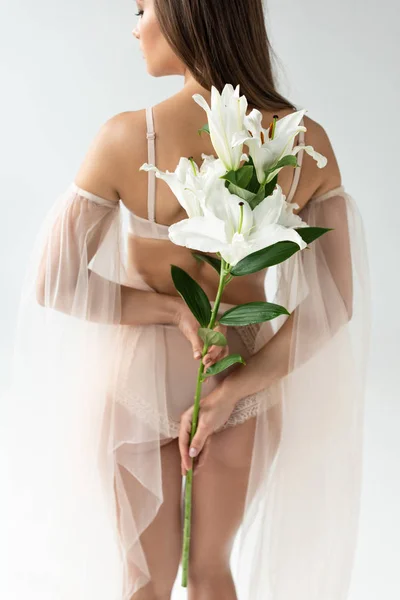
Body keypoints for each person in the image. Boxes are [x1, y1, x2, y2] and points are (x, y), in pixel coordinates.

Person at [2, 1, 371, 599]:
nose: (135, 25)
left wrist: (170, 310)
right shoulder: (302, 144)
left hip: (134, 386)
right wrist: (234, 389)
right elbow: (334, 306)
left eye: (144, 7)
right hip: (239, 382)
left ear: (186, 14)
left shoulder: (127, 138)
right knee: (211, 575)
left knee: (142, 584)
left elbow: (54, 279)